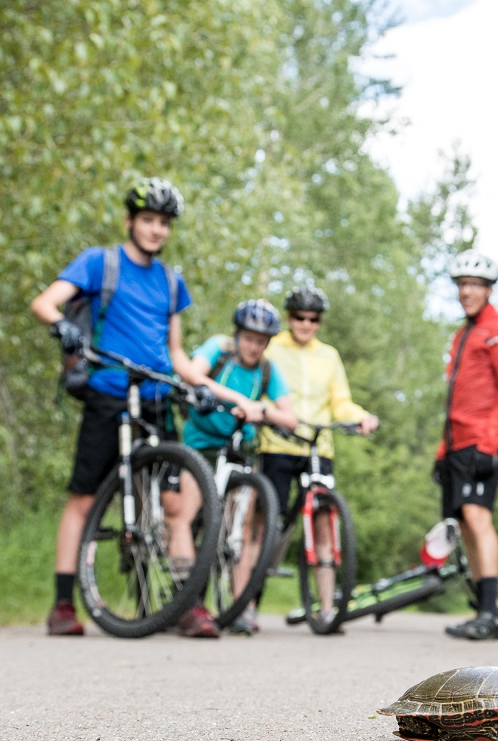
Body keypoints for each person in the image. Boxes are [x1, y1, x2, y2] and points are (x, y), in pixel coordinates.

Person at [29, 177, 265, 637]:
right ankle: (62, 606)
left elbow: (177, 354)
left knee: (176, 503)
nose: (156, 230)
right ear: (130, 221)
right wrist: (63, 327)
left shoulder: (171, 283)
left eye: (163, 223)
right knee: (82, 498)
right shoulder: (101, 263)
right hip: (109, 392)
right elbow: (45, 303)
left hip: (158, 396)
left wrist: (201, 388)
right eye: (148, 220)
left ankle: (186, 603)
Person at [174, 299, 298, 637]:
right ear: (238, 334)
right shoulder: (219, 348)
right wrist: (237, 399)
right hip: (200, 445)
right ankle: (185, 601)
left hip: (238, 451)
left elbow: (290, 417)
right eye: (248, 338)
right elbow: (191, 373)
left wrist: (260, 409)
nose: (253, 346)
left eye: (261, 341)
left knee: (240, 530)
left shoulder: (268, 372)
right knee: (186, 515)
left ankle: (239, 606)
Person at [257, 286, 379, 625]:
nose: (306, 324)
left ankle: (327, 609)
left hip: (318, 447)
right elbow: (259, 387)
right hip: (277, 443)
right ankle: (249, 605)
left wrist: (360, 416)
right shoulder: (272, 348)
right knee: (267, 521)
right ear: (289, 317)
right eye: (299, 317)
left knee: (325, 523)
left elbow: (340, 400)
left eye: (313, 319)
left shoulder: (329, 356)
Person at [436, 250, 498, 641]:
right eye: (461, 285)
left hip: (482, 439)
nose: (466, 292)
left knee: (478, 517)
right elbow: (458, 399)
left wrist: (490, 446)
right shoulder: (463, 333)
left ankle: (491, 612)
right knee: (464, 524)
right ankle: (482, 610)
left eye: (474, 285)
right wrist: (443, 453)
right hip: (457, 444)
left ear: (489, 289)